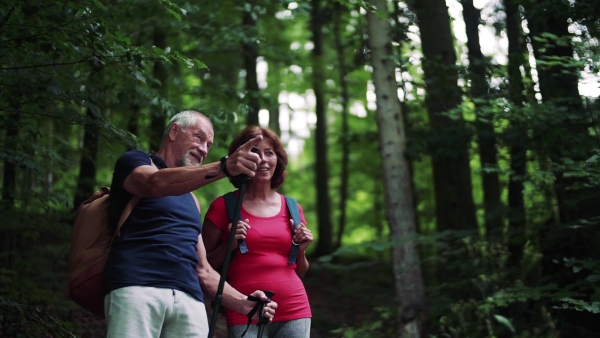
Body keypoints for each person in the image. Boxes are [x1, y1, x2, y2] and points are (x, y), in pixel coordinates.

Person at [103, 110, 278, 337]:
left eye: (209, 144)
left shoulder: (192, 201)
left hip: (190, 302)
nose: (204, 149)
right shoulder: (136, 161)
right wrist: (223, 167)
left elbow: (204, 270)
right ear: (174, 131)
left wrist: (246, 304)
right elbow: (154, 183)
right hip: (137, 287)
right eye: (199, 138)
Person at [202, 126, 313, 338]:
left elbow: (298, 270)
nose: (262, 159)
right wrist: (228, 246)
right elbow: (201, 266)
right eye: (254, 152)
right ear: (240, 159)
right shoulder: (223, 206)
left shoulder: (292, 207)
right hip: (244, 310)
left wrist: (301, 251)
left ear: (277, 160)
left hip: (294, 308)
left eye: (269, 153)